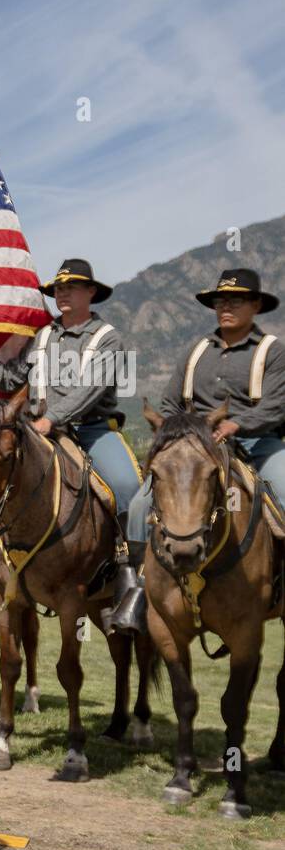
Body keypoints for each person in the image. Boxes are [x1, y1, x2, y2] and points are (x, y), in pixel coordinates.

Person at [0, 257, 143, 628]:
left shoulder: (108, 338)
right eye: (58, 288)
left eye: (71, 287)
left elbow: (90, 390)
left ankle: (129, 576)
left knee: (129, 487)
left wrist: (50, 419)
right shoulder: (43, 336)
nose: (63, 293)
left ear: (91, 292)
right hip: (37, 430)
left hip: (90, 430)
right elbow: (10, 380)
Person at [125, 268, 285, 632]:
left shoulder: (272, 352)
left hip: (258, 444)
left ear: (256, 305)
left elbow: (276, 406)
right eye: (220, 300)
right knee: (137, 506)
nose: (226, 306)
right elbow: (167, 403)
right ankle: (135, 590)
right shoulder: (195, 351)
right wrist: (173, 431)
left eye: (236, 299)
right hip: (196, 450)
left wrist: (236, 424)